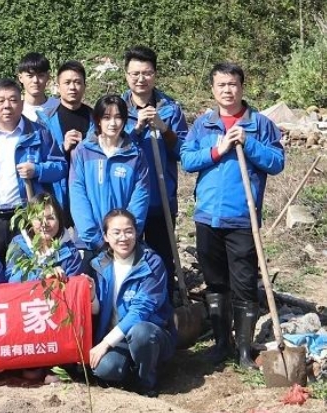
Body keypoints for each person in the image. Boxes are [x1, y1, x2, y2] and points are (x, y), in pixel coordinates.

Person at [180, 62, 284, 368]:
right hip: (207, 216)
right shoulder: (204, 125)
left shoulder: (260, 125)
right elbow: (187, 160)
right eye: (221, 85)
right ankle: (221, 344)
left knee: (244, 284)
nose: (227, 90)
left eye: (233, 84)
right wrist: (218, 149)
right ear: (213, 89)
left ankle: (244, 350)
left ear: (242, 87)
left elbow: (276, 162)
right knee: (215, 283)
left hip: (242, 218)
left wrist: (248, 143)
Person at [0, 79, 66, 260]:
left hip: (28, 216)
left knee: (31, 267)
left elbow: (60, 167)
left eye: (13, 100)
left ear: (22, 104)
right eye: (1, 101)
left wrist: (38, 170)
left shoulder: (39, 133)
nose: (7, 106)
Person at [121, 46, 189, 285]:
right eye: (135, 73)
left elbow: (184, 153)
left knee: (162, 259)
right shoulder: (116, 109)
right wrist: (136, 129)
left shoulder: (170, 108)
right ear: (126, 75)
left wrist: (165, 129)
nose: (141, 79)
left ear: (155, 74)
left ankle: (166, 303)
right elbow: (111, 149)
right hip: (127, 199)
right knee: (128, 258)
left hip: (161, 199)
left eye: (147, 73)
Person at [89, 209, 175, 397]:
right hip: (117, 339)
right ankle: (130, 373)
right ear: (106, 237)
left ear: (136, 233)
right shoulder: (99, 265)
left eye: (128, 231)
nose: (123, 238)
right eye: (116, 232)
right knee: (105, 369)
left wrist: (105, 343)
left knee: (140, 332)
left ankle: (147, 381)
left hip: (151, 334)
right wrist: (92, 296)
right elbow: (98, 310)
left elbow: (140, 311)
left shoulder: (151, 263)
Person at [69, 94, 149, 260]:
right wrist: (96, 239)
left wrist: (124, 235)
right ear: (98, 120)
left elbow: (140, 199)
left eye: (118, 117)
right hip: (89, 243)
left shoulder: (135, 155)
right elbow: (77, 196)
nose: (112, 123)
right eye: (106, 117)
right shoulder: (83, 152)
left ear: (125, 120)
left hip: (124, 243)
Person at [39, 61, 96, 213]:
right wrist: (62, 148)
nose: (72, 87)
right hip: (57, 192)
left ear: (84, 86)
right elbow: (40, 158)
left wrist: (86, 143)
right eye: (67, 82)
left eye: (77, 82)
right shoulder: (45, 120)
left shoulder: (96, 118)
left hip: (89, 190)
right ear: (58, 86)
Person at [5, 193, 82, 282]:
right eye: (39, 218)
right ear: (30, 221)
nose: (44, 224)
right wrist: (41, 274)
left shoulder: (71, 253)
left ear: (59, 220)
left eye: (50, 218)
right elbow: (12, 278)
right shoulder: (18, 245)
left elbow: (74, 285)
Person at [17, 52, 60, 123]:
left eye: (40, 75)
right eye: (30, 76)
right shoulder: (15, 111)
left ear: (48, 76)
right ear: (20, 78)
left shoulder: (58, 107)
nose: (35, 80)